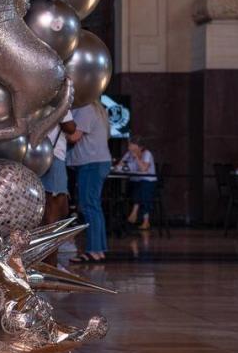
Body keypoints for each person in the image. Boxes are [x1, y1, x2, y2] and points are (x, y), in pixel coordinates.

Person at [66, 102, 112, 264]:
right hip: (95, 162)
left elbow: (74, 137)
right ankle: (98, 250)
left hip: (91, 163)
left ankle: (93, 250)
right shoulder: (96, 109)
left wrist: (55, 127)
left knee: (89, 207)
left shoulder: (85, 108)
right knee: (93, 207)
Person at [40, 111, 77, 264]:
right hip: (54, 155)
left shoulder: (33, 96)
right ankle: (51, 263)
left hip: (34, 155)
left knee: (41, 210)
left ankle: (40, 260)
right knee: (55, 210)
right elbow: (70, 128)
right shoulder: (58, 98)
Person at [118, 136, 157, 230]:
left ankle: (139, 216)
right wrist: (123, 163)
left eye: (132, 145)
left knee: (143, 187)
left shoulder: (147, 154)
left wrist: (136, 157)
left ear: (139, 147)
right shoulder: (129, 154)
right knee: (133, 187)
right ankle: (133, 214)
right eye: (129, 146)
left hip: (148, 181)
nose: (129, 148)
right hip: (135, 180)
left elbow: (144, 169)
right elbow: (119, 166)